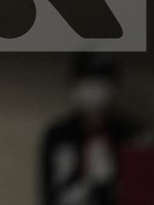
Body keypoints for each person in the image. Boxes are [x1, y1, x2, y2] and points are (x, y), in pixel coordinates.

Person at [39, 56, 139, 205]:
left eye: (101, 81)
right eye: (89, 80)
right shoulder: (59, 135)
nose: (95, 90)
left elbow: (139, 190)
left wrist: (109, 181)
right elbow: (49, 191)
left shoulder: (128, 135)